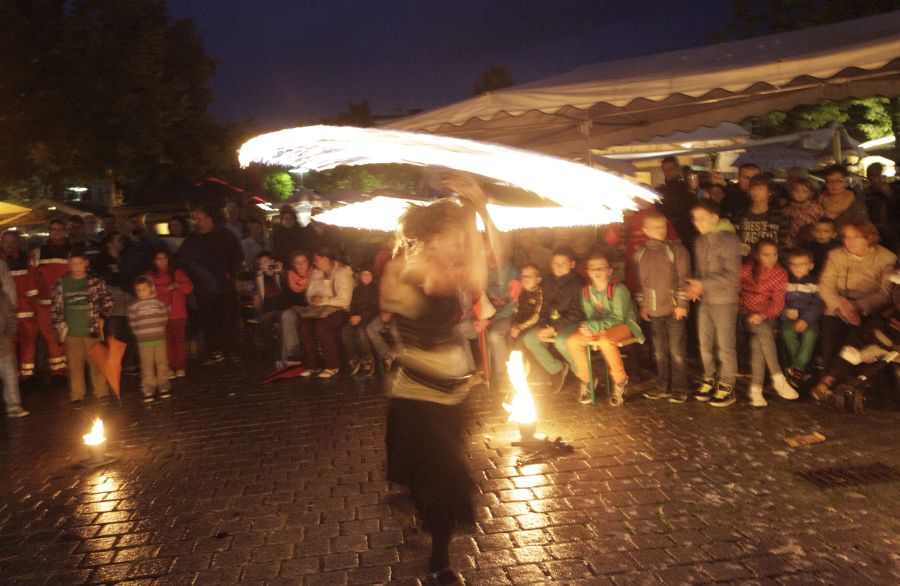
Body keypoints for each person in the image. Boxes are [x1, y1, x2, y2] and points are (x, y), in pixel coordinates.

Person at [380, 176, 495, 585]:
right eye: (453, 238)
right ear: (431, 240)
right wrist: (475, 213)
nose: (459, 245)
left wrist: (478, 209)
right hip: (418, 397)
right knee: (442, 478)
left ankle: (434, 539)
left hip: (453, 393)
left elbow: (481, 270)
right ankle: (439, 560)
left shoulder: (441, 266)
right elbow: (466, 277)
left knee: (443, 475)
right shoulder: (409, 270)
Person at [814, 220, 897, 398]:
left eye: (856, 237)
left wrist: (857, 306)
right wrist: (841, 305)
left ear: (869, 238)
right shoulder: (835, 255)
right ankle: (828, 384)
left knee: (858, 339)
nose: (849, 242)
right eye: (846, 237)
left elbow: (885, 293)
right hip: (838, 307)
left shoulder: (886, 258)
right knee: (831, 336)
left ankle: (846, 383)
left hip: (868, 309)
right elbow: (825, 286)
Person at [566, 252, 644, 406]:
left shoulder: (618, 289)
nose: (597, 271)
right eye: (593, 268)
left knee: (606, 341)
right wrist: (588, 327)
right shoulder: (587, 291)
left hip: (625, 325)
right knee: (573, 341)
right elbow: (591, 315)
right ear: (588, 272)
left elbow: (619, 317)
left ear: (609, 271)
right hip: (601, 326)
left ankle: (620, 381)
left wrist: (595, 326)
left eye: (601, 268)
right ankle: (587, 380)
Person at [685, 200, 742, 407]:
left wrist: (703, 284)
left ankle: (727, 384)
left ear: (714, 218)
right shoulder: (700, 241)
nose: (696, 222)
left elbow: (733, 277)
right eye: (695, 218)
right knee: (705, 342)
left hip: (724, 300)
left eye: (701, 218)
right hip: (706, 300)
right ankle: (709, 377)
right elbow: (700, 270)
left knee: (724, 345)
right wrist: (695, 287)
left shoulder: (729, 240)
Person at [634, 212, 692, 403]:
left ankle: (680, 387)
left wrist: (682, 304)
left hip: (674, 310)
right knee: (659, 352)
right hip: (654, 311)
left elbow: (684, 279)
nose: (661, 230)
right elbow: (641, 283)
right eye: (655, 227)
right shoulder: (641, 253)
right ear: (645, 230)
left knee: (677, 351)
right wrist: (643, 305)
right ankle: (662, 386)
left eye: (663, 226)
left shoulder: (676, 250)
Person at [177, 204, 244, 365]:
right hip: (204, 289)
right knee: (210, 320)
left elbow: (237, 255)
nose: (197, 223)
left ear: (209, 219)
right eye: (196, 219)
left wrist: (231, 272)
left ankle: (233, 350)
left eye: (200, 219)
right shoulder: (193, 239)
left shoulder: (225, 235)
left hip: (225, 286)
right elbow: (183, 259)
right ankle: (216, 350)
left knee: (228, 319)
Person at [50, 248, 113, 406]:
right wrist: (59, 327)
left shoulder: (95, 281)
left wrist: (103, 317)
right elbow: (56, 307)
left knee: (97, 363)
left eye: (80, 263)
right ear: (69, 264)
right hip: (71, 331)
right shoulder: (61, 283)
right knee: (75, 365)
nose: (77, 267)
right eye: (73, 264)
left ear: (86, 263)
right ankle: (77, 394)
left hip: (92, 329)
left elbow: (107, 300)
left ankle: (102, 392)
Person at [739, 239, 796, 407]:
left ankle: (755, 390)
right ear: (757, 255)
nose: (771, 259)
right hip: (745, 315)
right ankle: (778, 377)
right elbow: (735, 292)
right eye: (766, 255)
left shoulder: (780, 273)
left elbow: (778, 304)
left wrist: (763, 315)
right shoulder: (746, 270)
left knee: (759, 341)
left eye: (774, 255)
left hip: (766, 317)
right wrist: (745, 309)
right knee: (763, 333)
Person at [521, 247, 584, 393]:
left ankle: (584, 375)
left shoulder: (578, 284)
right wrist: (545, 324)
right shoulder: (548, 281)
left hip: (571, 322)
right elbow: (544, 306)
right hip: (551, 322)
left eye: (563, 263)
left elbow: (577, 312)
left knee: (562, 341)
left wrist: (554, 328)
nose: (559, 267)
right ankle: (557, 369)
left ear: (572, 264)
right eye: (556, 263)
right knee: (530, 339)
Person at [297, 246, 353, 378]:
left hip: (339, 309)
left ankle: (332, 366)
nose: (314, 263)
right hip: (320, 310)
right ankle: (312, 365)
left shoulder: (342, 273)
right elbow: (310, 293)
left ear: (326, 259)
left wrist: (323, 300)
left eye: (316, 260)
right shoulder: (316, 273)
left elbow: (344, 299)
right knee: (304, 327)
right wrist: (312, 299)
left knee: (322, 328)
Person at [474, 252, 521, 386]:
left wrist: (491, 320)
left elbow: (513, 304)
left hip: (507, 314)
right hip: (486, 315)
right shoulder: (480, 271)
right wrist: (477, 319)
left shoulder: (512, 271)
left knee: (494, 336)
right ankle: (482, 372)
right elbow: (476, 298)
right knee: (466, 331)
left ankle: (504, 377)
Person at [31, 219, 71, 375]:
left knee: (68, 336)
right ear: (49, 231)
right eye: (53, 229)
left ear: (65, 230)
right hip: (45, 303)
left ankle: (69, 368)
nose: (56, 232)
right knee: (50, 337)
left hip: (67, 302)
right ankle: (58, 370)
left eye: (59, 229)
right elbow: (31, 277)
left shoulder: (73, 250)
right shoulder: (38, 252)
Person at [147, 248, 193, 378]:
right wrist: (164, 289)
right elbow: (146, 291)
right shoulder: (150, 275)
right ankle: (169, 367)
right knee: (165, 342)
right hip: (159, 314)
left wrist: (178, 285)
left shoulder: (178, 273)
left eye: (164, 258)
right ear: (154, 261)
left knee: (178, 341)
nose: (162, 261)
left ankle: (180, 367)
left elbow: (189, 288)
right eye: (159, 259)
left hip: (178, 313)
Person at [781, 248, 824, 388]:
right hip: (789, 318)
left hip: (809, 319)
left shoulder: (815, 283)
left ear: (810, 266)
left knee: (810, 335)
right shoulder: (785, 281)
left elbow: (818, 304)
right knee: (787, 333)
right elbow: (778, 300)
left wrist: (805, 320)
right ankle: (800, 369)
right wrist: (786, 311)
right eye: (793, 264)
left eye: (802, 264)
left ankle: (797, 368)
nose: (797, 268)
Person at [1, 230, 38, 380]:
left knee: (28, 343)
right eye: (6, 242)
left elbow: (33, 285)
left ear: (18, 243)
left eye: (12, 242)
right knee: (8, 345)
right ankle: (12, 377)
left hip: (26, 310)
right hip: (6, 313)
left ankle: (27, 376)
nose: (9, 245)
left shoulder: (27, 259)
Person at [128, 276, 170, 403]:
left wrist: (159, 329)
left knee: (162, 363)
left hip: (159, 339)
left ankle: (164, 385)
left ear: (151, 289)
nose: (141, 292)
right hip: (144, 341)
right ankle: (148, 388)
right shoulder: (134, 306)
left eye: (144, 289)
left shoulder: (158, 303)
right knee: (147, 365)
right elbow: (133, 322)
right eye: (139, 290)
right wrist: (139, 334)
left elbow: (164, 317)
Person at [733, 175, 787, 258]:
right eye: (753, 189)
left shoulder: (779, 216)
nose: (756, 192)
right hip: (745, 260)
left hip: (770, 261)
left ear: (770, 192)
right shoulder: (740, 215)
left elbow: (783, 242)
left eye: (760, 189)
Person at [342, 267, 379, 377]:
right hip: (356, 316)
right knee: (345, 330)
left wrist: (361, 316)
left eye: (369, 274)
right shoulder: (357, 290)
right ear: (360, 276)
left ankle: (368, 358)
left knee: (361, 331)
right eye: (364, 274)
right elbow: (353, 305)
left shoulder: (376, 289)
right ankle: (353, 357)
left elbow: (375, 307)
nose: (366, 277)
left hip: (370, 316)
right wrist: (352, 316)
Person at [0, 279, 28, 417]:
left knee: (10, 378)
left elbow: (11, 319)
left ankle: (14, 407)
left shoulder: (3, 300)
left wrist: (7, 336)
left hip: (3, 346)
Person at [656, 156, 698, 246]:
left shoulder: (686, 188)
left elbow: (692, 209)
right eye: (665, 170)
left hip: (686, 234)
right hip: (668, 233)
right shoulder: (661, 190)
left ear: (677, 169)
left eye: (671, 169)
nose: (668, 172)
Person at [280, 250, 312, 365]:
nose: (301, 265)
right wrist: (295, 307)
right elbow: (287, 298)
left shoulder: (315, 274)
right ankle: (293, 354)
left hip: (314, 308)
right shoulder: (288, 277)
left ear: (308, 263)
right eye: (297, 263)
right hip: (297, 309)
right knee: (287, 316)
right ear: (293, 265)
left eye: (303, 262)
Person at [861, 162, 898, 253]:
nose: (878, 179)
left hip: (892, 233)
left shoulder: (895, 190)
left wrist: (890, 193)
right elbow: (860, 211)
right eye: (874, 176)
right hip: (872, 232)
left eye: (880, 175)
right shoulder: (865, 194)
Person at [819, 164, 869, 232]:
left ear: (846, 183)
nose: (833, 185)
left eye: (838, 181)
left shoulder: (855, 203)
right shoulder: (819, 201)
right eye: (829, 181)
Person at [782, 178, 824, 249]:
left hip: (809, 241)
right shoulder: (788, 208)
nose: (800, 194)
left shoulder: (815, 208)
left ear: (811, 193)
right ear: (791, 192)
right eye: (796, 191)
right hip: (790, 241)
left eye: (804, 191)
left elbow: (820, 224)